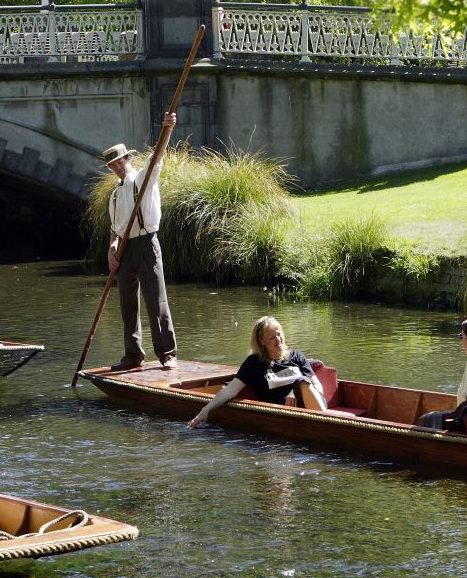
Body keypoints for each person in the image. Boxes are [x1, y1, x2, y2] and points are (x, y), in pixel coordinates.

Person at [104, 116, 178, 371]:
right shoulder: (114, 195)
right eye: (112, 165)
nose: (116, 168)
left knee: (156, 300)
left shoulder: (142, 180)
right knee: (127, 305)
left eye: (119, 162)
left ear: (128, 159)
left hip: (146, 244)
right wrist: (112, 251)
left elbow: (156, 158)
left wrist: (167, 129)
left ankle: (167, 353)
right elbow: (115, 230)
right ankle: (133, 355)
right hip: (125, 251)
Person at [189, 316, 327, 427]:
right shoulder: (254, 363)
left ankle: (326, 422)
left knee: (301, 381)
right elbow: (231, 389)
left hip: (315, 408)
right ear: (262, 340)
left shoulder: (296, 356)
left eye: (279, 335)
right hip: (285, 414)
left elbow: (317, 385)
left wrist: (295, 390)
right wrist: (205, 410)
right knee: (300, 381)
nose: (278, 340)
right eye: (272, 337)